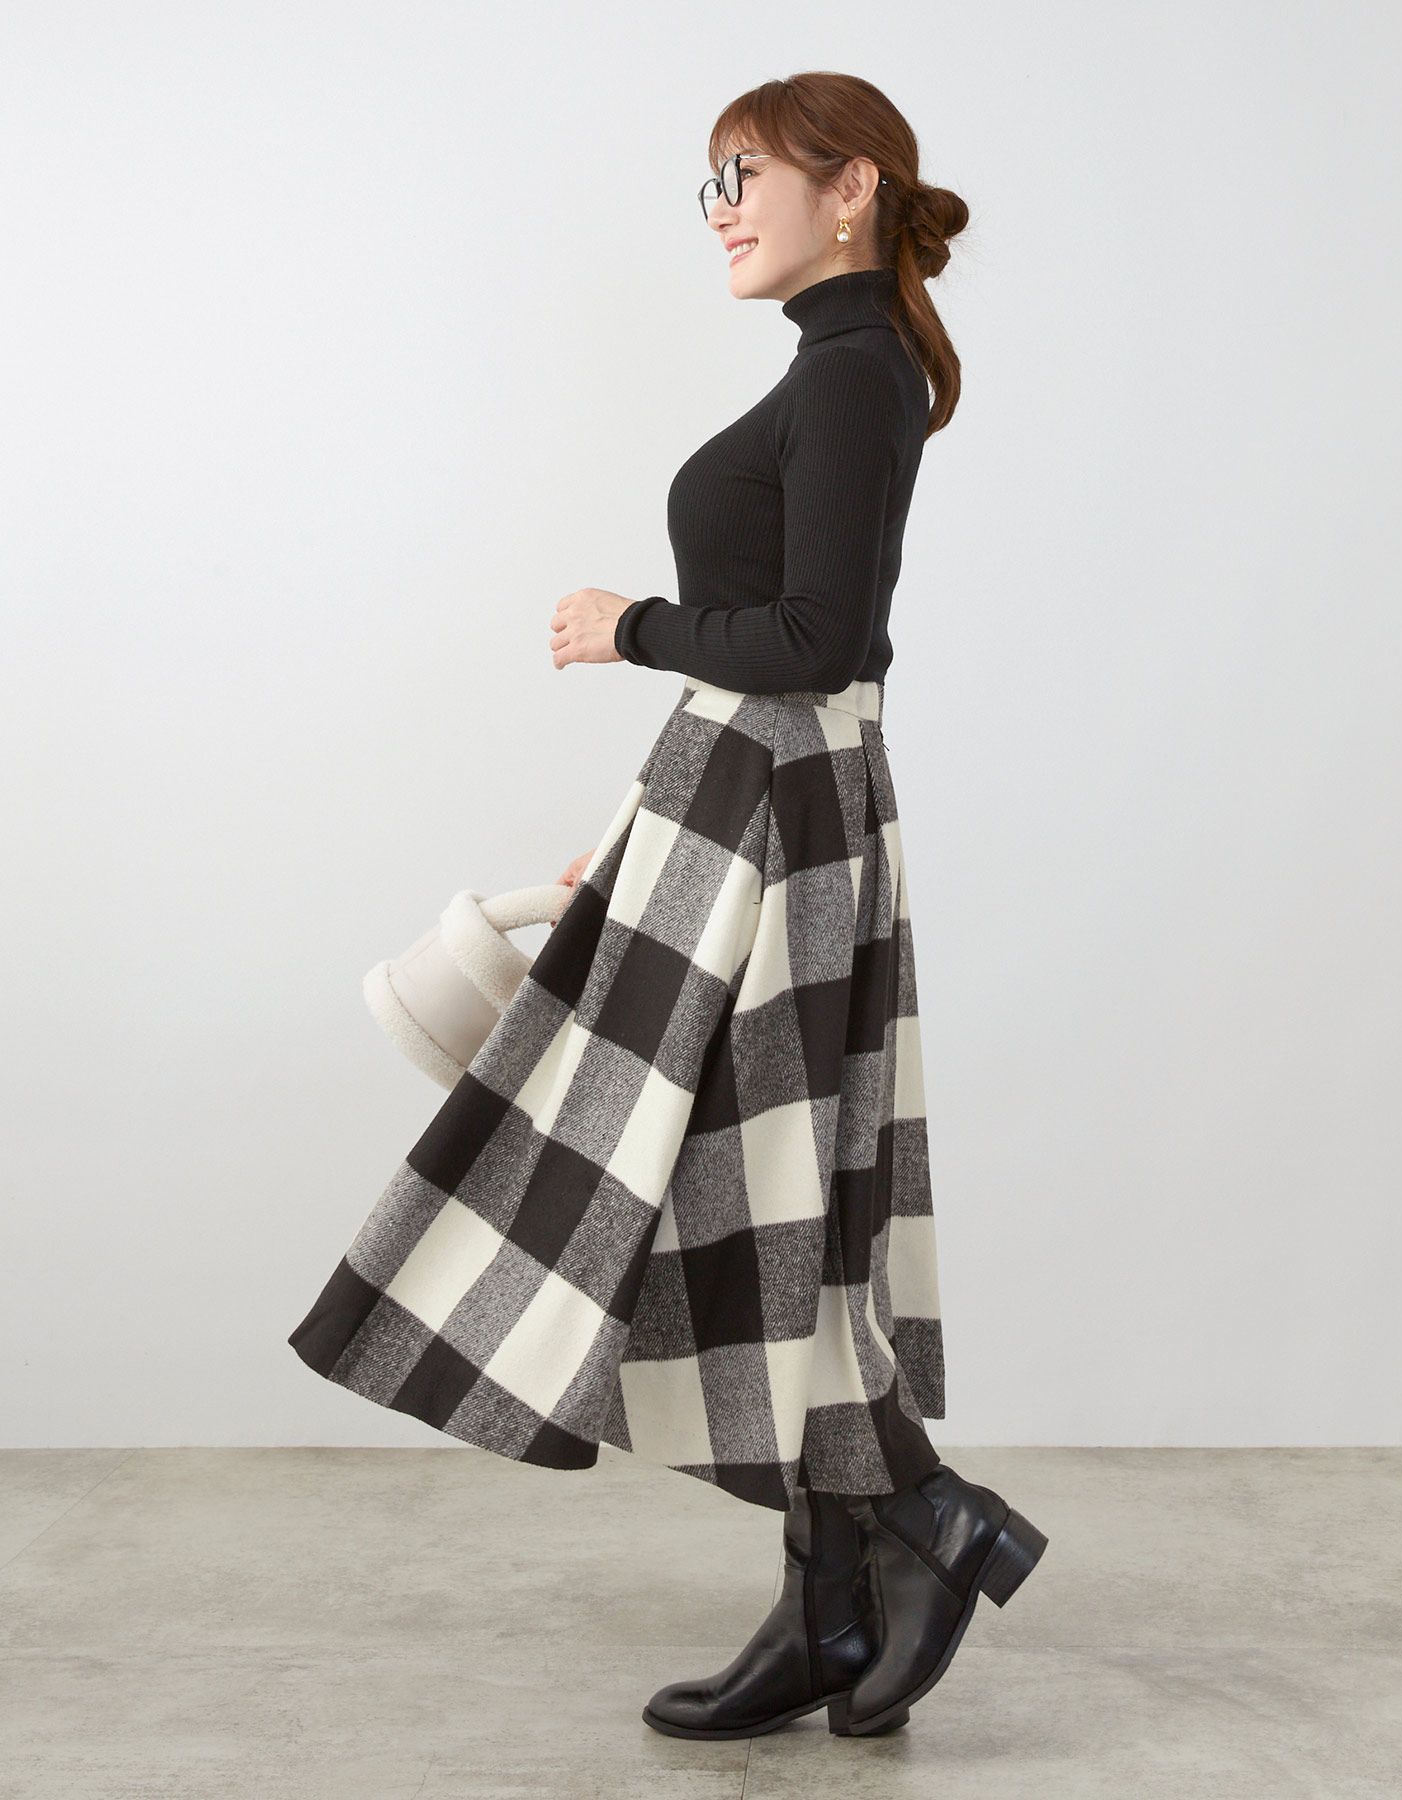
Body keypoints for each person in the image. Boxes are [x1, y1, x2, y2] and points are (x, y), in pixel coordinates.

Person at [288, 71, 1046, 1742]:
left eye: (745, 174)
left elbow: (817, 643)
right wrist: (638, 836)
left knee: (745, 1195)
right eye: (707, 183)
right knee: (757, 1201)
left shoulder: (852, 373)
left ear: (851, 189)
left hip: (777, 811)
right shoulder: (837, 366)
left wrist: (625, 624)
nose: (720, 210)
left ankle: (924, 1524)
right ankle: (832, 1605)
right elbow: (775, 672)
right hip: (741, 804)